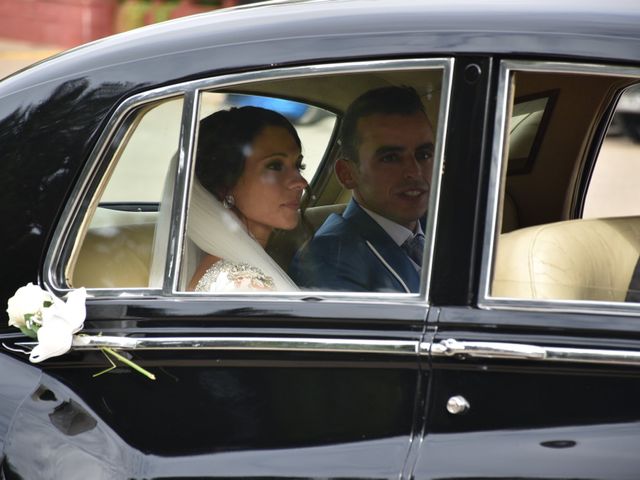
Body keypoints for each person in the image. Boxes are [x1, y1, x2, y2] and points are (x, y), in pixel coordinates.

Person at [290, 86, 435, 292]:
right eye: (390, 158)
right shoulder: (329, 261)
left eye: (424, 155)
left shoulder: (443, 226)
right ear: (347, 174)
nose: (415, 171)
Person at [187, 106, 307, 292]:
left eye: (299, 165)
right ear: (225, 185)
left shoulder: (240, 270)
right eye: (275, 166)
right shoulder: (242, 284)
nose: (301, 182)